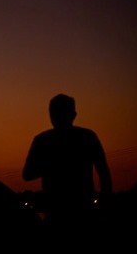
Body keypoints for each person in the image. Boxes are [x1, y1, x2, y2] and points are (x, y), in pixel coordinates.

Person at [22, 93, 113, 227]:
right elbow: (104, 173)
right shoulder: (88, 137)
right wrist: (105, 203)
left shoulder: (42, 140)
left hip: (58, 212)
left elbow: (27, 174)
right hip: (81, 212)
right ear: (74, 115)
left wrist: (51, 167)